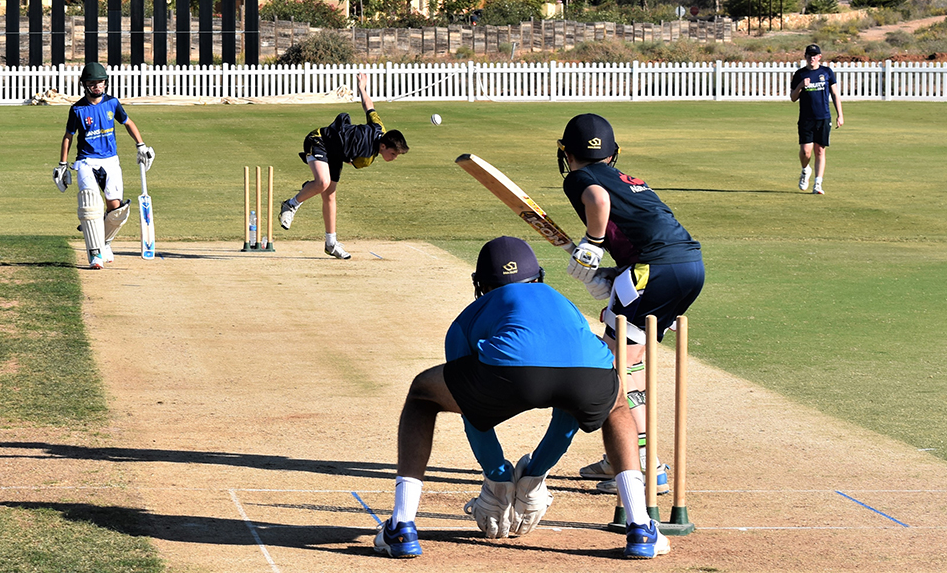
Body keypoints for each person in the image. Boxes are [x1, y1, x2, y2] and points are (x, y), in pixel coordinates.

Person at [373, 236, 668, 560]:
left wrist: (498, 475)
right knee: (617, 407)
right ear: (537, 276)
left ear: (480, 284)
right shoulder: (559, 301)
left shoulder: (471, 314)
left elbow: (474, 412)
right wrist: (535, 474)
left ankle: (401, 527)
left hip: (508, 371)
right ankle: (640, 527)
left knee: (423, 396)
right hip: (588, 368)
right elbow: (567, 409)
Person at [558, 113, 705, 497]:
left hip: (652, 270)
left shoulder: (579, 179)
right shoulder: (632, 181)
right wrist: (612, 275)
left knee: (617, 367)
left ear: (566, 152)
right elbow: (651, 231)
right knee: (629, 355)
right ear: (613, 152)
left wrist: (591, 243)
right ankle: (618, 456)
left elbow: (596, 198)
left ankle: (644, 466)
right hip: (689, 266)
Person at [278, 72, 408, 259]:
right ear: (384, 145)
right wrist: (361, 88)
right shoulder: (366, 159)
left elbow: (369, 107)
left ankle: (331, 243)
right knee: (322, 183)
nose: (394, 158)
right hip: (319, 140)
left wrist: (362, 88)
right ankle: (290, 205)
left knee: (329, 196)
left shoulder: (380, 128)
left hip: (336, 154)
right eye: (393, 154)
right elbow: (352, 159)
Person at [53, 61, 154, 270]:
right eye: (93, 82)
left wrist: (141, 145)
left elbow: (128, 122)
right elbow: (68, 136)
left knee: (115, 209)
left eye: (100, 82)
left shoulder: (112, 103)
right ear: (85, 84)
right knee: (91, 204)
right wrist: (63, 164)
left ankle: (105, 242)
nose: (98, 86)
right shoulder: (77, 109)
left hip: (110, 160)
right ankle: (95, 255)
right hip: (86, 161)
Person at [791, 44, 844, 195]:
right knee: (805, 151)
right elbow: (793, 98)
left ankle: (818, 184)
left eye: (814, 55)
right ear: (805, 57)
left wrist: (840, 114)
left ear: (819, 57)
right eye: (809, 55)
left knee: (820, 150)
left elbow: (834, 94)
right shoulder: (800, 74)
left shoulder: (826, 72)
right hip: (806, 118)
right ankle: (805, 170)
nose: (811, 58)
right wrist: (801, 85)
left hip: (823, 117)